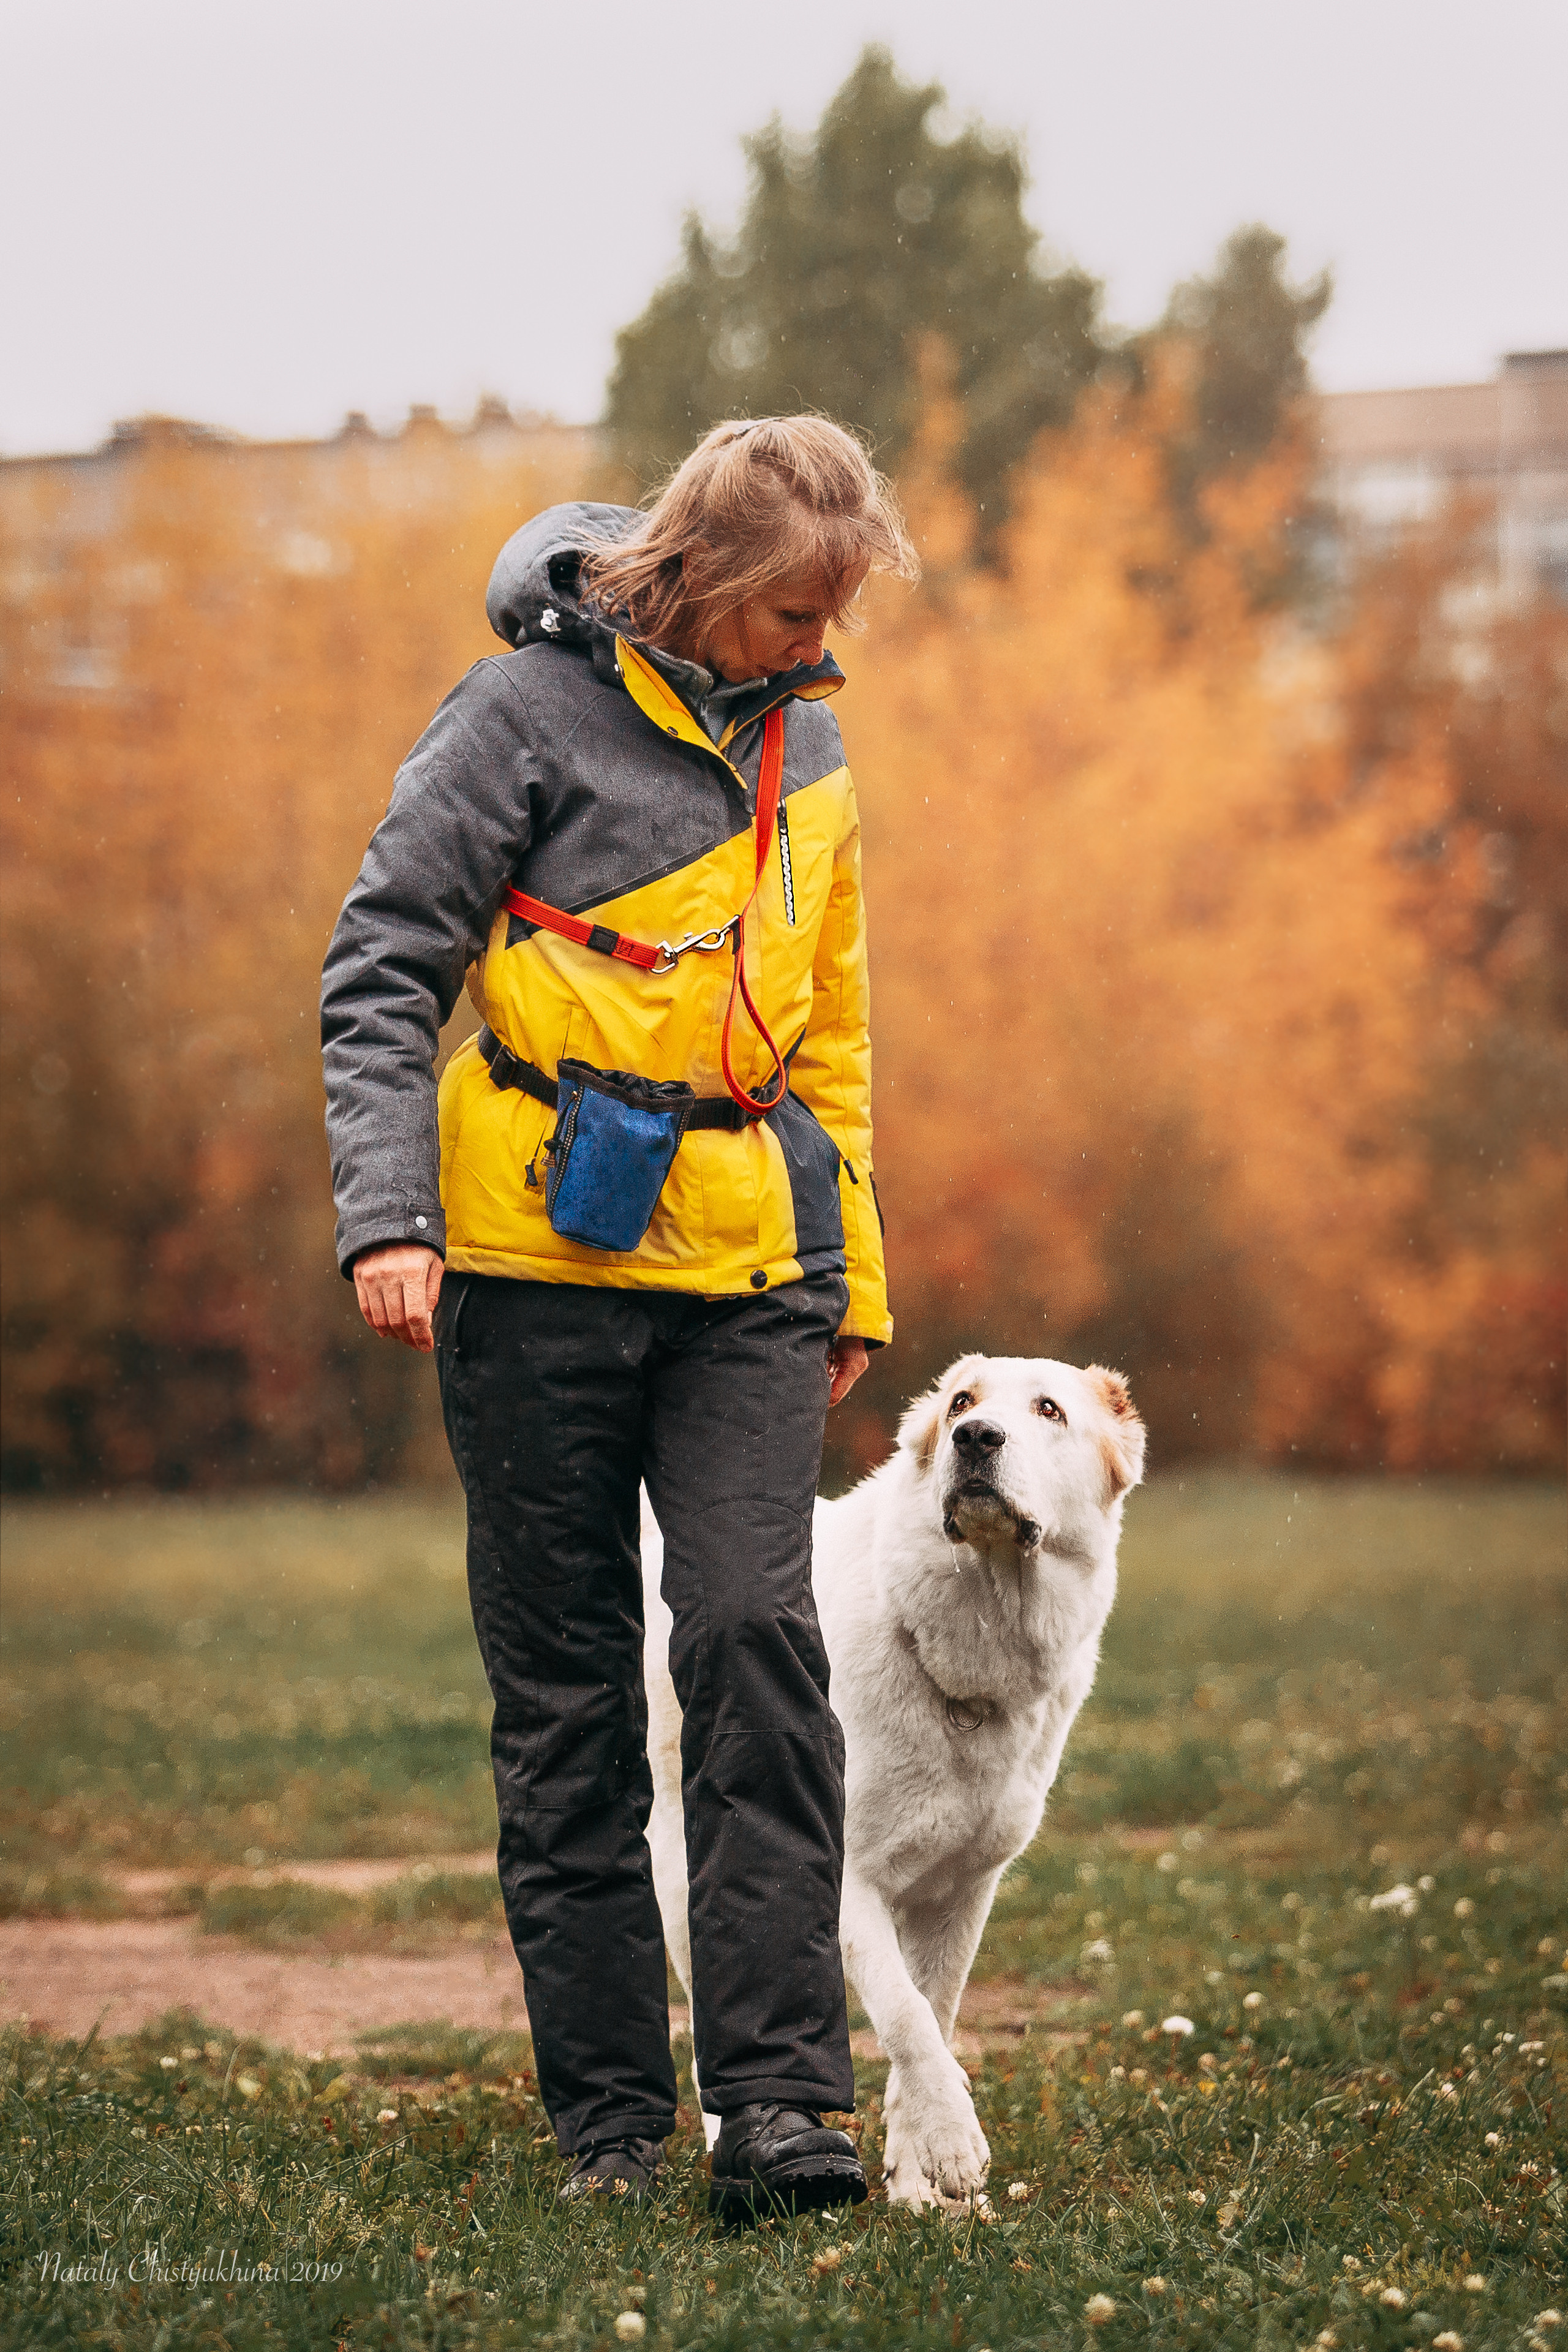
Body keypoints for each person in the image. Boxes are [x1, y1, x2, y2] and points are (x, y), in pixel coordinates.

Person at [321, 415, 916, 2216]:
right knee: (571, 1702)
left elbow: (837, 1036)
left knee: (751, 1645)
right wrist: (387, 1218)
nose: (825, 640)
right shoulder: (516, 719)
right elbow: (384, 963)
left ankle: (784, 2109)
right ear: (705, 582)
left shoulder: (806, 745)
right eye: (798, 605)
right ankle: (607, 2126)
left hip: (746, 1279)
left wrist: (852, 1276)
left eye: (841, 605)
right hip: (528, 1276)